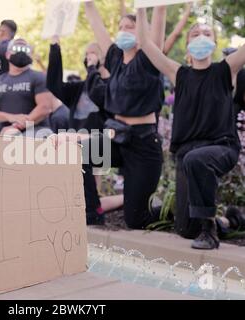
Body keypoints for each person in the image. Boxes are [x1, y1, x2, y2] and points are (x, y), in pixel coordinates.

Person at [137, 7, 245, 249]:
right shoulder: (178, 73)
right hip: (188, 154)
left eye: (207, 33)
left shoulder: (226, 69)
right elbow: (144, 42)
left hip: (221, 147)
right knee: (186, 229)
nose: (201, 36)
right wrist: (141, 8)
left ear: (215, 42)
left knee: (198, 160)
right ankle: (229, 219)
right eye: (195, 34)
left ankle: (210, 233)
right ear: (187, 46)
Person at [77, 2, 166, 229]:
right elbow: (96, 24)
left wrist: (149, 7)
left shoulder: (149, 59)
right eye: (121, 26)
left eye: (130, 27)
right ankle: (92, 213)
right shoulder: (115, 58)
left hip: (143, 144)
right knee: (78, 153)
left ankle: (171, 209)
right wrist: (88, 5)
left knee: (136, 221)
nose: (124, 30)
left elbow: (158, 17)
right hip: (117, 137)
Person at [47, 35, 123, 224]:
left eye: (93, 54)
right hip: (78, 142)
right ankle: (113, 203)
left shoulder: (113, 87)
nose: (88, 58)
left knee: (89, 191)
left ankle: (94, 210)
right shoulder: (79, 88)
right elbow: (54, 85)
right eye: (86, 55)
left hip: (103, 142)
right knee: (83, 195)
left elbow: (102, 98)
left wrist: (93, 70)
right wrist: (55, 49)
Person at [0, 38, 53, 137]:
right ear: (7, 54)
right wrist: (11, 117)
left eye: (25, 49)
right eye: (16, 48)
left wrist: (17, 126)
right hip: (7, 135)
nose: (20, 52)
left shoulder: (39, 77)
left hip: (37, 133)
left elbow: (45, 107)